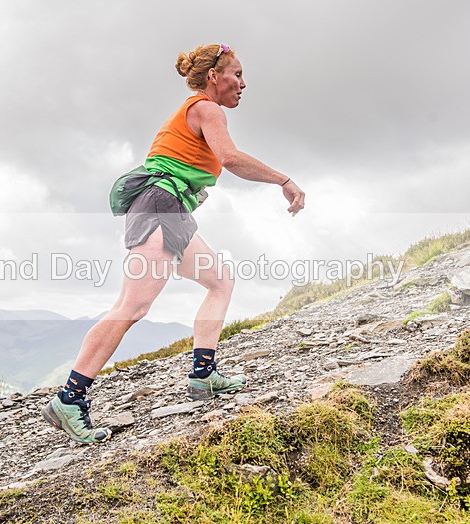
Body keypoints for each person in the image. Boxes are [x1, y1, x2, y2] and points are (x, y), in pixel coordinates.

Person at [41, 44, 306, 443]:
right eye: (236, 74)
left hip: (172, 210)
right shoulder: (205, 107)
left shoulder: (197, 112)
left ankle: (203, 376)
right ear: (214, 77)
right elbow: (230, 158)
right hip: (161, 205)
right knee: (133, 306)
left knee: (220, 281)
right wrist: (284, 180)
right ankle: (70, 399)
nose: (243, 82)